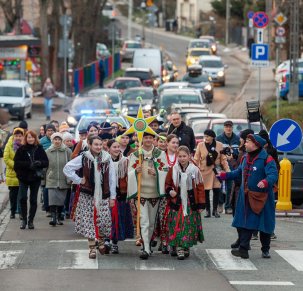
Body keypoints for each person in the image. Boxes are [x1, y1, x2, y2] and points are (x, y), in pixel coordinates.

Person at [219, 134, 278, 259]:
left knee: (264, 225)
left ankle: (265, 249)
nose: (244, 144)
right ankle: (243, 249)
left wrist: (265, 182)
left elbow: (273, 175)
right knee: (246, 223)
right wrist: (224, 176)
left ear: (255, 145)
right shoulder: (245, 158)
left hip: (263, 198)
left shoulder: (267, 159)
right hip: (246, 196)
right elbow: (238, 172)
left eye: (247, 142)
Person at [63, 136, 116, 259]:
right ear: (90, 145)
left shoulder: (107, 159)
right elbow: (67, 168)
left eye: (100, 144)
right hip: (87, 194)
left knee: (104, 220)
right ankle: (92, 247)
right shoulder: (84, 157)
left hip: (103, 194)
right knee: (89, 222)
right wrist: (78, 180)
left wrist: (112, 197)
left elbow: (112, 179)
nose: (98, 147)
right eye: (95, 144)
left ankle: (101, 241)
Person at [127, 132, 168, 260]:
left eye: (150, 138)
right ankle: (145, 248)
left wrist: (156, 172)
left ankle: (148, 243)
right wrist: (135, 171)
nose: (148, 140)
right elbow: (129, 172)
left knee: (151, 223)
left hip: (155, 193)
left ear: (154, 139)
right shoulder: (135, 154)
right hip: (141, 193)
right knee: (144, 221)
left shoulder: (160, 154)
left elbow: (166, 170)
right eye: (146, 138)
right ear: (142, 139)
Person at [165, 146, 205, 260]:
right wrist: (170, 191)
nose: (182, 159)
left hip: (190, 201)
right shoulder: (173, 169)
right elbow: (167, 184)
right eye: (180, 156)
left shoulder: (195, 170)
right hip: (177, 201)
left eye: (184, 156)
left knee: (188, 224)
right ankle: (179, 248)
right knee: (178, 224)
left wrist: (201, 204)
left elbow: (200, 187)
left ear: (189, 156)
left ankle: (186, 246)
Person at [14, 130, 49, 229]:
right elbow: (16, 164)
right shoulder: (21, 149)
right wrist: (29, 165)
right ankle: (24, 220)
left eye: (32, 137)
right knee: (22, 198)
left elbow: (46, 162)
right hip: (23, 177)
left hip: (35, 178)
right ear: (26, 138)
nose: (31, 139)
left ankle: (30, 221)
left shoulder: (39, 149)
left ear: (35, 138)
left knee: (33, 200)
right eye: (29, 137)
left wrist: (39, 163)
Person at [194, 129, 230, 218]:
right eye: (205, 136)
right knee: (206, 191)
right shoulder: (200, 145)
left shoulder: (219, 145)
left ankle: (215, 211)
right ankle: (207, 211)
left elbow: (223, 159)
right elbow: (196, 158)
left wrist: (228, 171)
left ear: (212, 137)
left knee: (217, 190)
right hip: (204, 171)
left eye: (208, 136)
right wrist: (194, 170)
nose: (205, 138)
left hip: (216, 171)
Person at [107, 139, 133, 254]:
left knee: (118, 218)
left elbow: (130, 176)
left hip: (121, 194)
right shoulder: (104, 161)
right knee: (107, 218)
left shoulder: (125, 161)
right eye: (114, 147)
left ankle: (114, 242)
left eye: (118, 147)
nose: (117, 149)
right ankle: (106, 240)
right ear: (108, 149)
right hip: (107, 194)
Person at [46, 132, 71, 226]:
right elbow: (45, 167)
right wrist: (43, 180)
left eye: (59, 139)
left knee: (61, 200)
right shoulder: (48, 151)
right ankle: (53, 218)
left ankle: (59, 216)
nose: (57, 141)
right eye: (55, 139)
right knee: (52, 199)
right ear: (52, 140)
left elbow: (71, 164)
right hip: (51, 178)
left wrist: (70, 177)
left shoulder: (67, 151)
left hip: (63, 178)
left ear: (62, 140)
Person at [159, 134, 179, 255]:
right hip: (163, 191)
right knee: (163, 218)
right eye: (173, 142)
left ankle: (173, 242)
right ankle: (164, 242)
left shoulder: (180, 156)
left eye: (177, 143)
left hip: (177, 193)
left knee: (175, 218)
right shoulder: (161, 156)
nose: (175, 145)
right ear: (167, 143)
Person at [216, 120, 240, 214]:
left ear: (232, 127)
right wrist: (224, 156)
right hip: (221, 165)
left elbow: (239, 152)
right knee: (220, 185)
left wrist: (233, 156)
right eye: (226, 126)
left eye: (230, 126)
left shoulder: (237, 139)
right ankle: (220, 204)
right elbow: (217, 152)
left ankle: (228, 206)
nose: (228, 128)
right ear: (224, 128)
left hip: (233, 166)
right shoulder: (219, 138)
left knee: (230, 186)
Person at [4, 128, 24, 219]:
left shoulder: (25, 145)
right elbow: (6, 158)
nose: (18, 138)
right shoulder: (9, 145)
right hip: (12, 174)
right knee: (13, 195)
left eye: (20, 136)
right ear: (13, 136)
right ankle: (12, 211)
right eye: (16, 136)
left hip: (22, 175)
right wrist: (16, 165)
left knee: (22, 196)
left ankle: (20, 212)